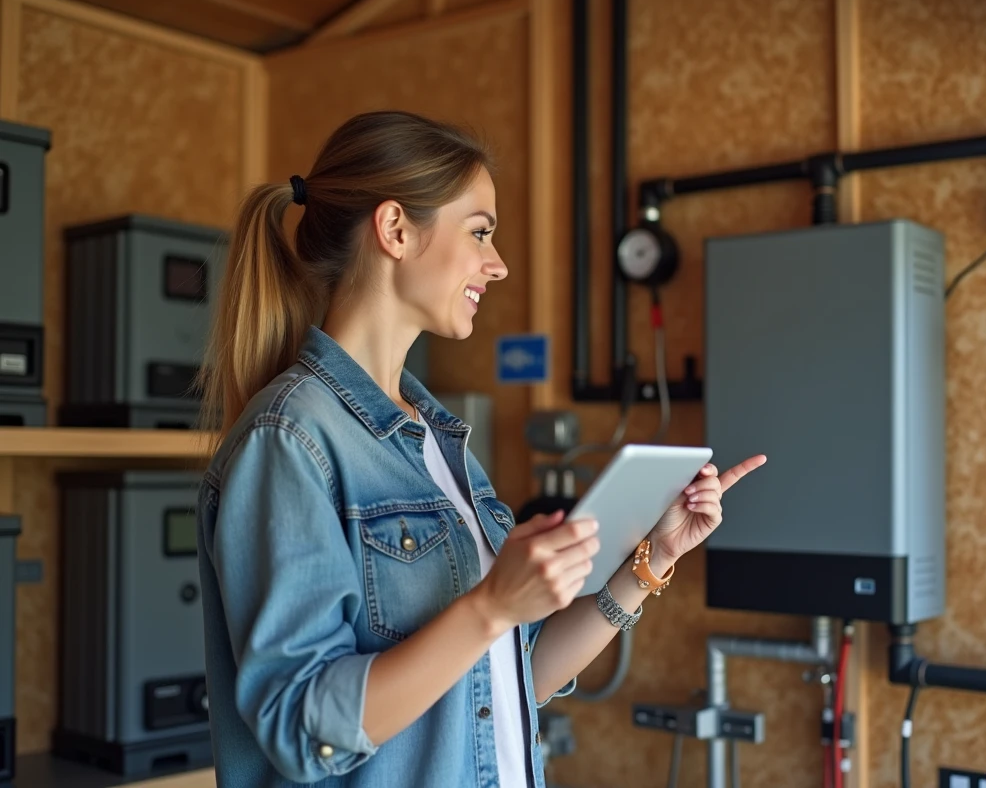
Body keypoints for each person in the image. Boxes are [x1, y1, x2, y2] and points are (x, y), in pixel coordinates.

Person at [195, 109, 766, 788]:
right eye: (480, 233)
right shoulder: (288, 440)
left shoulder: (440, 440)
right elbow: (302, 729)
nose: (496, 267)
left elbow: (514, 681)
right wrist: (490, 604)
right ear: (396, 229)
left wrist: (648, 565)